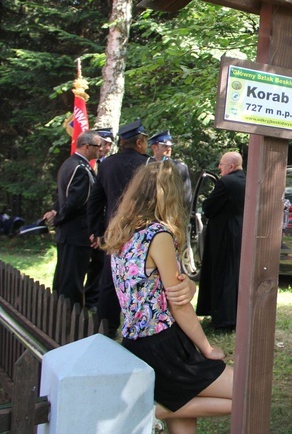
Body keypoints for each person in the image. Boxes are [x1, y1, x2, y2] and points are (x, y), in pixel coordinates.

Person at [103, 160, 233, 434]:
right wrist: (207, 349)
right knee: (245, 392)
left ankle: (162, 407)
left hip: (136, 342)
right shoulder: (157, 234)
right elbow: (178, 303)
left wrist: (190, 287)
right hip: (165, 346)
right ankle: (153, 409)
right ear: (168, 195)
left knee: (184, 424)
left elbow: (162, 289)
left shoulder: (121, 231)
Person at [88, 119, 194, 335]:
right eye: (144, 141)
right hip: (144, 229)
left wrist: (97, 231)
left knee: (111, 279)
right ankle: (150, 321)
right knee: (150, 278)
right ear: (139, 143)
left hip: (116, 231)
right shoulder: (148, 166)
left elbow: (95, 199)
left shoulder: (106, 164)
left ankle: (106, 327)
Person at [42, 130, 101, 306]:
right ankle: (70, 315)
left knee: (64, 274)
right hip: (76, 233)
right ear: (87, 146)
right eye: (98, 146)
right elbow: (75, 202)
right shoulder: (80, 168)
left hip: (68, 232)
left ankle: (59, 308)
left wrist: (56, 214)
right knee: (72, 278)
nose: (101, 150)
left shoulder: (69, 163)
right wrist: (58, 217)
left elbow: (63, 197)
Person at [195, 151, 246, 331]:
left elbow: (209, 207)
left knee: (223, 273)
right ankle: (234, 315)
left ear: (230, 167)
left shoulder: (226, 182)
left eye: (222, 164)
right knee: (235, 273)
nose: (219, 167)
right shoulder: (247, 181)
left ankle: (223, 318)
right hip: (241, 232)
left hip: (224, 233)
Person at [83, 127, 115, 309]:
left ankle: (92, 298)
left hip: (104, 222)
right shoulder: (90, 163)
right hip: (88, 222)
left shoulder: (107, 164)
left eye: (110, 144)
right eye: (104, 144)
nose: (106, 148)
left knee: (99, 264)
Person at [148, 130, 192, 207]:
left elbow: (186, 198)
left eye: (170, 146)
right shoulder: (145, 166)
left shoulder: (180, 168)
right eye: (165, 146)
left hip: (172, 212)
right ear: (155, 147)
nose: (169, 149)